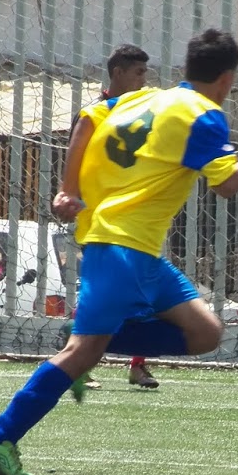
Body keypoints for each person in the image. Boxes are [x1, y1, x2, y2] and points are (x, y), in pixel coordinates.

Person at [0, 28, 238, 475]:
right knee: (81, 351)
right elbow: (228, 184)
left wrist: (68, 188)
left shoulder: (142, 97)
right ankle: (0, 435)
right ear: (227, 78)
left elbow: (87, 119)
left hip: (140, 252)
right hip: (121, 247)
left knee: (205, 332)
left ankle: (90, 342)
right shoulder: (205, 115)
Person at [52, 43, 161, 390]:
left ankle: (134, 365)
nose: (144, 80)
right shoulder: (92, 114)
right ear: (118, 73)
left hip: (136, 216)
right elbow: (76, 163)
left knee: (139, 289)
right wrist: (71, 196)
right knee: (110, 292)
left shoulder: (145, 112)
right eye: (138, 73)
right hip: (101, 220)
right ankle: (78, 361)